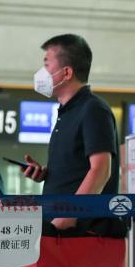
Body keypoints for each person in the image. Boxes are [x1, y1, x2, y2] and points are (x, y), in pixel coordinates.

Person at [23, 33, 121, 231]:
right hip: (59, 228)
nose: (42, 72)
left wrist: (69, 215)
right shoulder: (66, 112)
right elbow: (78, 169)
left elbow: (101, 169)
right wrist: (48, 174)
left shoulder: (93, 109)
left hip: (83, 231)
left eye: (47, 64)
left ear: (66, 72)